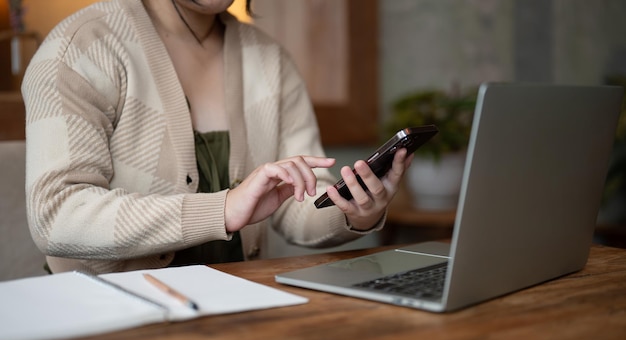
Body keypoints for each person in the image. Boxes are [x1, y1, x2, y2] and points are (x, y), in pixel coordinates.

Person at [22, 0, 412, 274]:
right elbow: (56, 214)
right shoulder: (81, 48)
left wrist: (355, 212)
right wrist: (223, 209)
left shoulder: (270, 60)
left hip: (239, 310)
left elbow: (299, 205)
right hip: (108, 313)